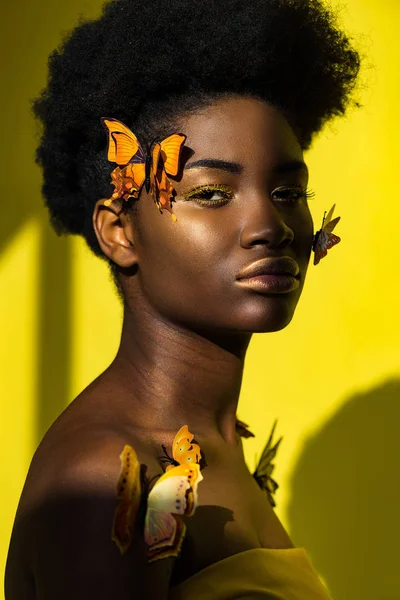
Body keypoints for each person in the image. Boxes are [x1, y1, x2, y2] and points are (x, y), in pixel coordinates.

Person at [5, 0, 361, 598]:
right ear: (120, 231)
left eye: (286, 190)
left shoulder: (212, 448)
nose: (268, 224)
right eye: (214, 194)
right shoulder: (110, 475)